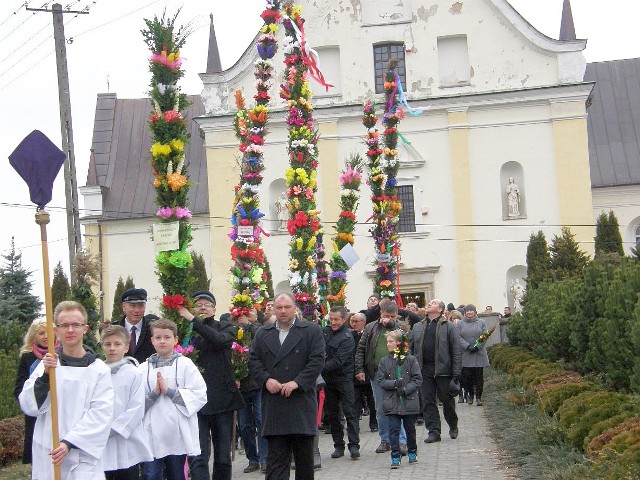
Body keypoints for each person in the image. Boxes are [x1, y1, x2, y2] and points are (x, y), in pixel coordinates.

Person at [19, 301, 114, 480]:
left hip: (83, 452)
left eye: (76, 325)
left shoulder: (99, 370)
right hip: (50, 450)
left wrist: (69, 443)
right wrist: (46, 377)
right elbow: (28, 404)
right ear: (56, 331)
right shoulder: (47, 366)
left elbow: (101, 413)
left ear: (85, 328)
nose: (70, 330)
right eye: (64, 325)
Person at [248, 293, 325, 480]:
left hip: (301, 402)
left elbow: (317, 361)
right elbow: (253, 361)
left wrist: (297, 382)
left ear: (295, 308)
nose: (283, 311)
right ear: (273, 308)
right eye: (279, 307)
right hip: (275, 404)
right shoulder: (263, 333)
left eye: (287, 307)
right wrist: (266, 380)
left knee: (304, 463)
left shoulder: (311, 331)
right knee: (276, 461)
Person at [177, 290, 244, 480]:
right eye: (199, 304)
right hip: (195, 401)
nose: (203, 307)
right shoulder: (185, 332)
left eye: (207, 304)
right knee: (198, 455)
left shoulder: (225, 327)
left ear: (214, 309)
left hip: (222, 400)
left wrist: (193, 320)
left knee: (223, 455)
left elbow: (218, 340)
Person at [139, 319, 207, 480]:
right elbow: (135, 402)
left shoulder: (185, 365)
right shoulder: (142, 369)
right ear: (152, 340)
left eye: (167, 337)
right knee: (151, 474)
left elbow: (200, 394)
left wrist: (169, 392)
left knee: (176, 474)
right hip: (151, 433)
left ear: (175, 340)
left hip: (177, 433)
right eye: (158, 337)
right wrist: (154, 394)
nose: (162, 341)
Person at [101, 325, 153, 480]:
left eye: (117, 344)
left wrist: (115, 429)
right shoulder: (97, 372)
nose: (112, 348)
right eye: (107, 344)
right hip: (101, 440)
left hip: (126, 440)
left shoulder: (133, 373)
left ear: (126, 347)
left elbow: (136, 407)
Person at [355, 299, 407, 454]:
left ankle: (402, 441)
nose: (389, 319)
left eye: (392, 316)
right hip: (377, 373)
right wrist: (359, 369)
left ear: (397, 316)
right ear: (380, 313)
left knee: (398, 406)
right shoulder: (371, 327)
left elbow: (407, 345)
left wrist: (393, 326)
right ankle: (385, 440)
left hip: (398, 372)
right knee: (381, 408)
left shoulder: (400, 327)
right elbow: (361, 349)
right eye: (386, 315)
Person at [410, 299, 461, 444]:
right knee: (427, 402)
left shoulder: (448, 326)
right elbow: (411, 348)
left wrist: (456, 373)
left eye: (433, 303)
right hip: (424, 370)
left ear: (440, 309)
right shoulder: (418, 326)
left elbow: (456, 350)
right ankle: (433, 432)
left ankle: (453, 425)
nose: (429, 304)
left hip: (443, 370)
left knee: (447, 401)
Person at [375, 329, 422, 468]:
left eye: (390, 341)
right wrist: (395, 384)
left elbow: (417, 379)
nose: (388, 344)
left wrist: (406, 389)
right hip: (391, 402)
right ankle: (395, 456)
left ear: (399, 343)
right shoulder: (384, 361)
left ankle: (412, 451)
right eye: (387, 341)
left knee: (410, 430)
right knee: (393, 431)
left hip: (409, 401)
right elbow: (381, 380)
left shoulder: (411, 359)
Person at [232, 310, 268, 474]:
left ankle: (265, 459)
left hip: (257, 385)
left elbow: (260, 338)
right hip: (241, 387)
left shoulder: (258, 329)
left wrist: (249, 324)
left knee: (261, 422)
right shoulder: (231, 328)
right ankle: (252, 459)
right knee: (245, 426)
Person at [322, 306, 360, 460]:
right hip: (328, 380)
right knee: (332, 415)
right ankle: (338, 445)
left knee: (350, 412)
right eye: (331, 319)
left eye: (336, 319)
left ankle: (354, 445)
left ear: (344, 319)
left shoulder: (347, 337)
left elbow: (338, 361)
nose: (333, 322)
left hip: (343, 379)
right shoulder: (325, 332)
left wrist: (317, 367)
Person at [14, 319, 48, 464]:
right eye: (41, 333)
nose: (46, 336)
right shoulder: (28, 357)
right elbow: (19, 387)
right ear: (34, 337)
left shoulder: (63, 354)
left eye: (49, 332)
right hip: (35, 413)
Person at [457, 304, 490, 407]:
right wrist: (467, 346)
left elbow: (485, 335)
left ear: (475, 312)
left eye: (471, 310)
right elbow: (458, 337)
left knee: (479, 377)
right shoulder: (460, 324)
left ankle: (479, 397)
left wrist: (477, 346)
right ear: (465, 312)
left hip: (478, 353)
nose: (469, 312)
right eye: (467, 311)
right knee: (467, 377)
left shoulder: (481, 322)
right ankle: (470, 394)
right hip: (466, 353)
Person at [114, 288, 158, 364]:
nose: (137, 310)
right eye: (133, 306)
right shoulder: (114, 330)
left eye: (141, 306)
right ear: (124, 307)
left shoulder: (153, 330)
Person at [349, 313, 377, 432]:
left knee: (372, 400)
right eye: (352, 321)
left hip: (368, 372)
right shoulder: (349, 335)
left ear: (363, 322)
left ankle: (374, 424)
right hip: (354, 374)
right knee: (354, 401)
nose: (353, 324)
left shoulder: (369, 334)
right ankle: (354, 426)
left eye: (356, 321)